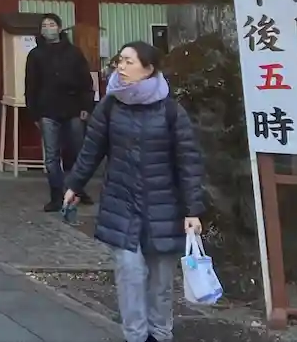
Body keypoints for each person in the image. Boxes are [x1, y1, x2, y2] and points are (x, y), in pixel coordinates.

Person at [65, 42, 205, 342]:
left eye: (129, 61)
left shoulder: (170, 110)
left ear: (149, 68)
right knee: (130, 274)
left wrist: (193, 210)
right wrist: (75, 184)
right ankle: (135, 336)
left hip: (164, 206)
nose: (121, 66)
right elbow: (91, 149)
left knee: (160, 283)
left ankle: (160, 334)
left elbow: (188, 161)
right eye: (120, 60)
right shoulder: (110, 105)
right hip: (122, 202)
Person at [25, 13, 96, 212]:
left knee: (77, 150)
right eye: (44, 25)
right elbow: (31, 86)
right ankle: (56, 195)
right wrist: (34, 113)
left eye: (51, 24)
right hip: (47, 110)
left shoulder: (74, 52)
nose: (48, 28)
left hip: (73, 108)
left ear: (59, 28)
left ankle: (77, 189)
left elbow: (86, 82)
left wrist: (86, 107)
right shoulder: (35, 55)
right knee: (51, 156)